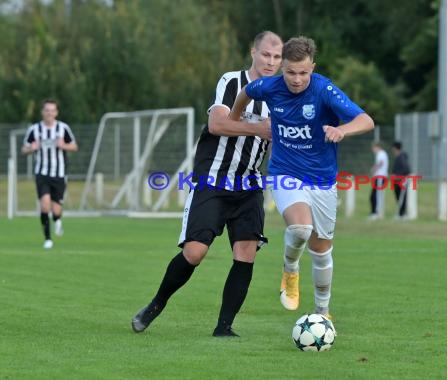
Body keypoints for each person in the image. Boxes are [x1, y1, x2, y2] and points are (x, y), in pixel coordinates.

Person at [131, 31, 283, 337]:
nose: (271, 62)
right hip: (212, 181)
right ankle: (157, 304)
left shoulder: (281, 95)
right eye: (266, 54)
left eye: (277, 57)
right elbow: (217, 124)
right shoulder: (232, 81)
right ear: (252, 51)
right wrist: (258, 129)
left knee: (246, 252)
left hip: (250, 185)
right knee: (195, 252)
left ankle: (223, 328)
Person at [229, 36, 374, 318]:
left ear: (313, 68)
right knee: (300, 229)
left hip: (322, 181)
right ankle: (290, 270)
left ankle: (322, 312)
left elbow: (365, 120)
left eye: (304, 73)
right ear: (282, 67)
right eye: (291, 72)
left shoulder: (323, 90)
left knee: (321, 251)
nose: (297, 79)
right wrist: (237, 119)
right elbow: (246, 91)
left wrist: (342, 130)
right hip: (285, 172)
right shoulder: (269, 86)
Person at [21, 99, 78, 249]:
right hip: (42, 173)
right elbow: (24, 149)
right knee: (45, 205)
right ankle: (48, 238)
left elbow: (74, 146)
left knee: (56, 209)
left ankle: (57, 219)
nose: (49, 113)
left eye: (52, 110)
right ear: (42, 112)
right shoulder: (35, 129)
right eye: (47, 110)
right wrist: (31, 148)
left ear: (56, 112)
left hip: (59, 174)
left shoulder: (62, 128)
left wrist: (63, 145)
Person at [368, 141, 389, 220]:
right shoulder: (382, 154)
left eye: (374, 148)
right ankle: (374, 212)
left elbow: (380, 163)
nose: (373, 149)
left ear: (378, 147)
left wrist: (374, 169)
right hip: (378, 177)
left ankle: (376, 213)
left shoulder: (381, 154)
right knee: (374, 195)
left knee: (377, 196)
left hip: (380, 177)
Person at [391, 141, 410, 219]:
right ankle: (401, 213)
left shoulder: (401, 157)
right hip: (397, 180)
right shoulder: (399, 157)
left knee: (402, 197)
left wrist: (397, 175)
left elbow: (406, 169)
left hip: (401, 180)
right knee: (399, 197)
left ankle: (402, 214)